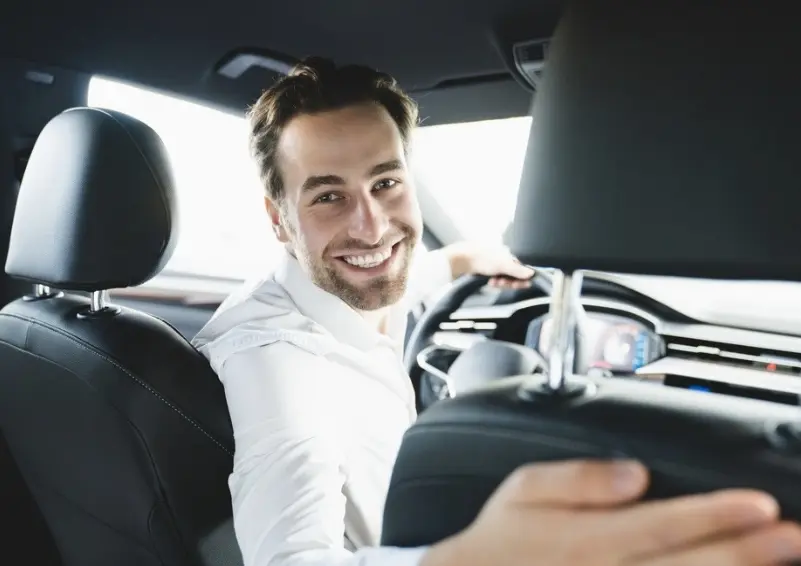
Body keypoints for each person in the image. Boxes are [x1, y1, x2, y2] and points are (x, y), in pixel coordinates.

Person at [191, 57, 801, 566]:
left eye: (385, 183)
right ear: (278, 218)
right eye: (328, 196)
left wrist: (461, 260)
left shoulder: (334, 289)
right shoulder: (277, 361)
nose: (371, 226)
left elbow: (395, 272)